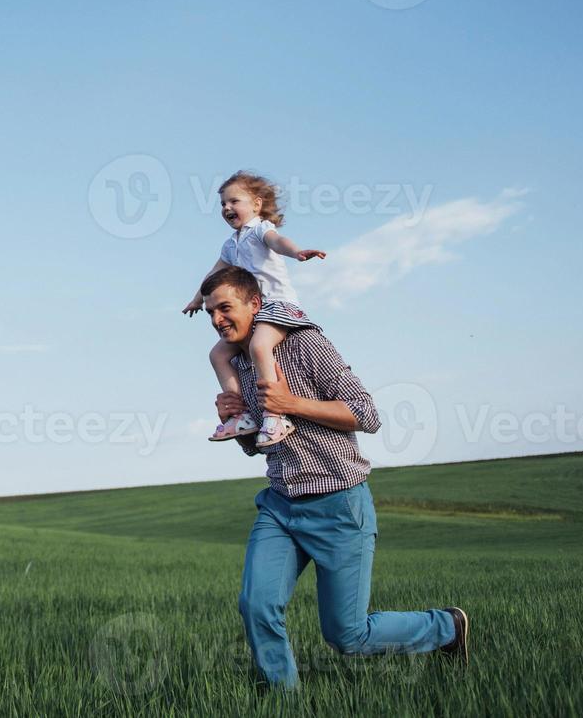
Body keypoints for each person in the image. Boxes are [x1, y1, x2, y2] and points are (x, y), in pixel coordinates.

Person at [200, 266, 468, 689]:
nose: (216, 320)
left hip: (339, 505)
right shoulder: (238, 365)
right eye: (211, 312)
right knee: (256, 604)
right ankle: (282, 698)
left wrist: (292, 402)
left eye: (225, 308)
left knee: (347, 636)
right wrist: (237, 422)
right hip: (281, 504)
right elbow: (258, 447)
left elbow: (367, 414)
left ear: (255, 303)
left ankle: (446, 628)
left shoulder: (306, 344)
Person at [182, 171, 326, 449]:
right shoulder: (230, 244)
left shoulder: (261, 229)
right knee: (218, 355)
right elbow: (215, 274)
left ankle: (275, 415)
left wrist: (296, 252)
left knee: (260, 347)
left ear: (256, 205)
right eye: (222, 204)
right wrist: (196, 298)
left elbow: (277, 242)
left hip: (277, 306)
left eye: (234, 201)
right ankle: (242, 414)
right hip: (252, 314)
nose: (226, 208)